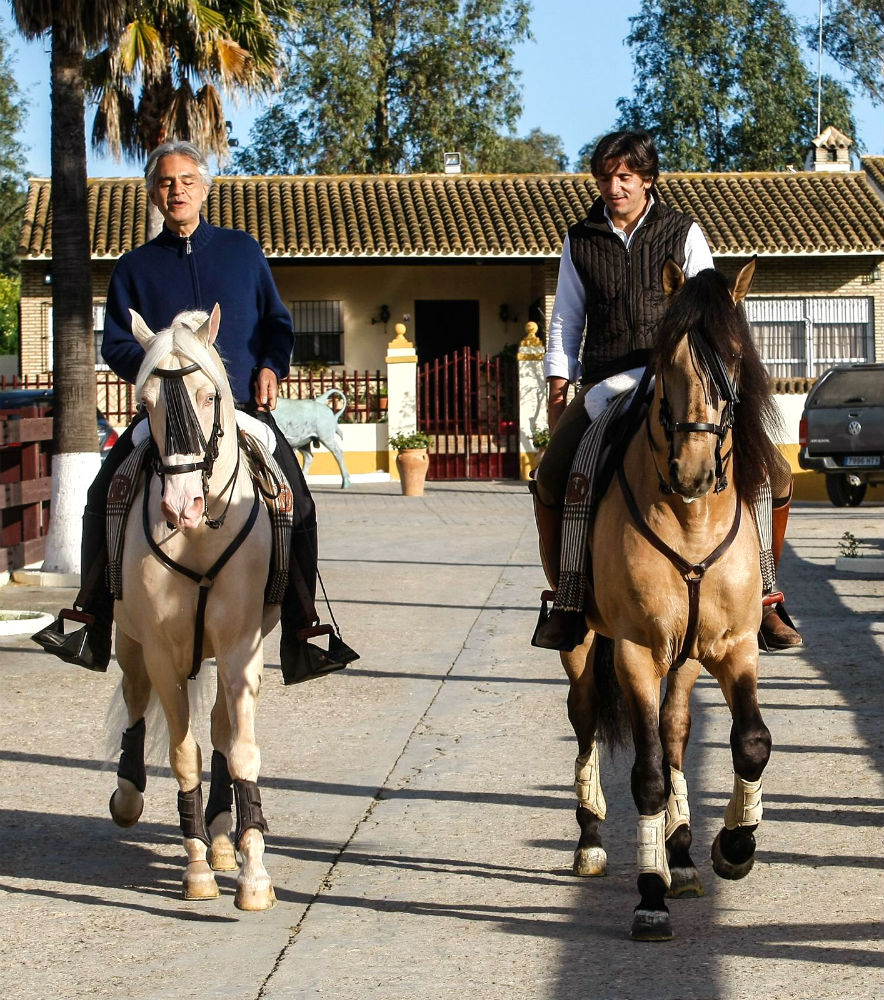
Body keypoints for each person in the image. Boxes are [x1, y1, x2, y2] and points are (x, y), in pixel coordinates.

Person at [34, 140, 354, 681]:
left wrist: (272, 366)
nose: (176, 190)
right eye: (165, 182)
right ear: (153, 194)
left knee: (296, 499)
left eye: (186, 180)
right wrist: (160, 366)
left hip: (240, 409)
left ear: (204, 188)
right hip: (167, 416)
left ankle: (303, 629)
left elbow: (277, 324)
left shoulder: (243, 252)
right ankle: (89, 618)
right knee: (101, 493)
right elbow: (115, 343)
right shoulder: (133, 268)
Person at [532, 128, 802, 651]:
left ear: (647, 179)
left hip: (680, 381)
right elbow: (565, 320)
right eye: (606, 178)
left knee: (774, 472)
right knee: (554, 474)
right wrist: (558, 388)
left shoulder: (683, 231)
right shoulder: (580, 239)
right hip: (607, 382)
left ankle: (766, 598)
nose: (614, 188)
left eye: (625, 177)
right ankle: (567, 598)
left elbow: (713, 310)